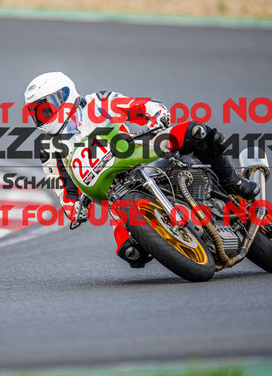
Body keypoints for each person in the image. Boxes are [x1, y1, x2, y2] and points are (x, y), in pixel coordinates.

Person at [24, 72, 258, 268]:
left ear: (64, 96)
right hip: (113, 190)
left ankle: (231, 180)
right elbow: (62, 185)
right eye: (36, 113)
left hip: (138, 151)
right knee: (130, 252)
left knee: (197, 132)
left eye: (45, 109)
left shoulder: (97, 103)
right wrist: (74, 208)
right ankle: (171, 239)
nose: (42, 117)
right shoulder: (49, 147)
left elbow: (136, 106)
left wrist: (156, 115)